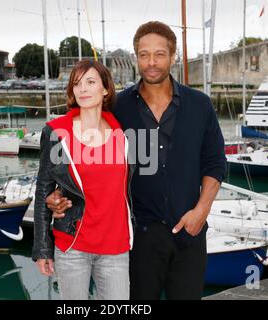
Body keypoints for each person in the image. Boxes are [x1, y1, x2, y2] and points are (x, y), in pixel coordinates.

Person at [46, 21, 227, 300]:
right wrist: (60, 195)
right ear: (135, 58)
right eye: (144, 55)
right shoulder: (118, 107)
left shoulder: (199, 104)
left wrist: (201, 212)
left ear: (173, 56)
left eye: (159, 54)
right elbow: (82, 149)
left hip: (189, 232)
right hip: (138, 239)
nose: (151, 62)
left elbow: (215, 163)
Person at [32, 59, 134, 300]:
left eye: (90, 82)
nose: (83, 89)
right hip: (73, 245)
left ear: (106, 88)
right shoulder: (57, 133)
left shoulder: (123, 134)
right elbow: (43, 190)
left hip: (116, 247)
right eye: (77, 84)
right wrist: (42, 248)